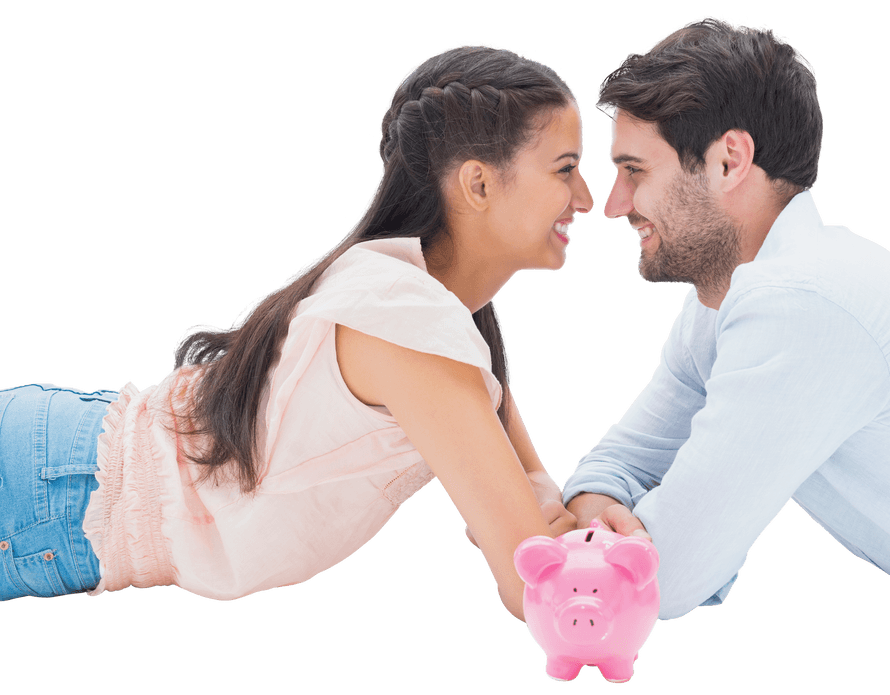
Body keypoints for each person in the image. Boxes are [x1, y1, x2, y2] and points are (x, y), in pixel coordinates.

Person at [0, 42, 593, 621]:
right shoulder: (412, 329)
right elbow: (533, 582)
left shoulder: (420, 303)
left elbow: (534, 497)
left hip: (55, 473)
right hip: (48, 495)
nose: (586, 199)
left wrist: (581, 514)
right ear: (479, 184)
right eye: (566, 170)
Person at [563, 16, 890, 621]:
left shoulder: (804, 301)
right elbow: (618, 465)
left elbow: (663, 577)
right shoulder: (729, 299)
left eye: (635, 171)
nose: (615, 204)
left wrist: (607, 541)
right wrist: (606, 520)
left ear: (729, 160)